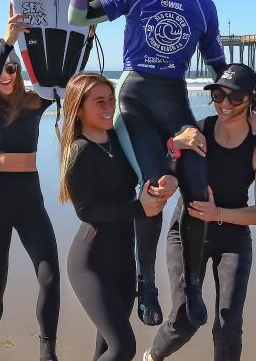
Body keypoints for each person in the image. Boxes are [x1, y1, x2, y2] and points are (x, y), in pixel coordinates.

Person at [68, 0, 256, 328]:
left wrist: (246, 107)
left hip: (174, 98)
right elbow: (79, 15)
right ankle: (147, 285)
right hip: (136, 97)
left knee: (198, 180)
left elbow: (218, 65)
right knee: (156, 186)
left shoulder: (203, 6)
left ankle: (192, 283)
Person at [145, 63, 256, 361]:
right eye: (218, 95)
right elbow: (174, 173)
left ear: (250, 100)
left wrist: (218, 213)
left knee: (228, 326)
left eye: (235, 98)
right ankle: (151, 357)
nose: (225, 104)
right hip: (187, 233)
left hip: (232, 237)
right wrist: (166, 183)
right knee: (184, 320)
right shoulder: (199, 133)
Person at [59, 73, 168, 361]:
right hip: (90, 262)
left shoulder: (118, 139)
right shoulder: (79, 152)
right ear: (78, 109)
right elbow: (86, 210)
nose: (109, 108)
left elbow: (156, 147)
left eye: (111, 100)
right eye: (99, 102)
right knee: (123, 347)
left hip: (123, 258)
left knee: (106, 349)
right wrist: (138, 208)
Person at [0, 6, 59, 361]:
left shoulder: (35, 102)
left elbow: (65, 78)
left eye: (11, 67)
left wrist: (81, 37)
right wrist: (7, 42)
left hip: (30, 200)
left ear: (19, 69)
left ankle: (47, 352)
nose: (5, 75)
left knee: (50, 276)